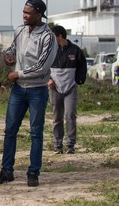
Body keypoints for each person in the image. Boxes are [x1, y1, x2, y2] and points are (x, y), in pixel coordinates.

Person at [0, 0, 57, 188]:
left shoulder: (48, 37)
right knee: (10, 130)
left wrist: (17, 73)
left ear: (39, 14)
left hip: (37, 90)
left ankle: (33, 172)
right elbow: (12, 48)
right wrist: (8, 56)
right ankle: (6, 171)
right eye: (23, 12)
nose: (24, 16)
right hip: (19, 90)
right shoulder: (20, 30)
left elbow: (43, 67)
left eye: (28, 13)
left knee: (36, 132)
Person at [48, 25, 87, 154]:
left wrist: (78, 81)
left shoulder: (75, 50)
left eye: (52, 36)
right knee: (57, 117)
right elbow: (43, 67)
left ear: (59, 36)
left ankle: (70, 145)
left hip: (70, 88)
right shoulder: (49, 51)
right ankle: (57, 145)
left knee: (70, 115)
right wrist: (48, 80)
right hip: (54, 88)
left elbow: (82, 67)